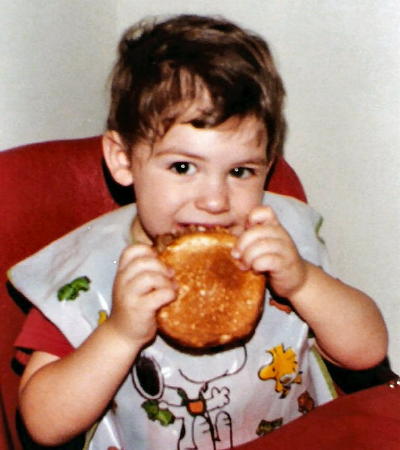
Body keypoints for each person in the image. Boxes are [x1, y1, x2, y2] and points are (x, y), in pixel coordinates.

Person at [9, 14, 387, 449]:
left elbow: (368, 351)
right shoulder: (87, 273)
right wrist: (119, 334)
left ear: (268, 167)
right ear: (123, 159)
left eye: (240, 171)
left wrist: (303, 282)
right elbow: (43, 423)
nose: (214, 200)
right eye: (183, 167)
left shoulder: (278, 244)